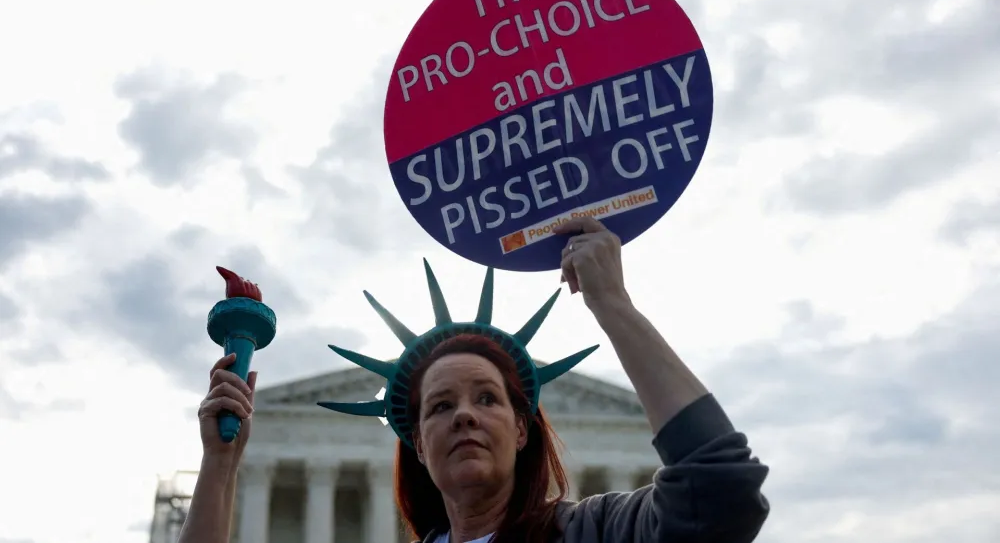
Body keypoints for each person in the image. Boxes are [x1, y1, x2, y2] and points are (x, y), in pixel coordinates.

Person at [179, 217, 770, 543]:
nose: (463, 414)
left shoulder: (589, 532)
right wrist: (221, 467)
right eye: (438, 407)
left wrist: (612, 304)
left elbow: (721, 495)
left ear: (521, 429)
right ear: (417, 444)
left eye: (486, 397)